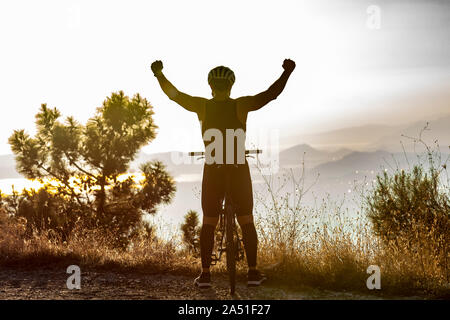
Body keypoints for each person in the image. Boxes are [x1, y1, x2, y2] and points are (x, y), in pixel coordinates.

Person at [151, 59, 295, 288]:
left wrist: (159, 74)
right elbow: (270, 94)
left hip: (213, 170)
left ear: (210, 86)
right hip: (238, 169)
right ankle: (253, 273)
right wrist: (287, 72)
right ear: (231, 86)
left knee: (209, 221)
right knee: (246, 219)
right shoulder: (241, 105)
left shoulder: (203, 107)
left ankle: (206, 275)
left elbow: (174, 95)